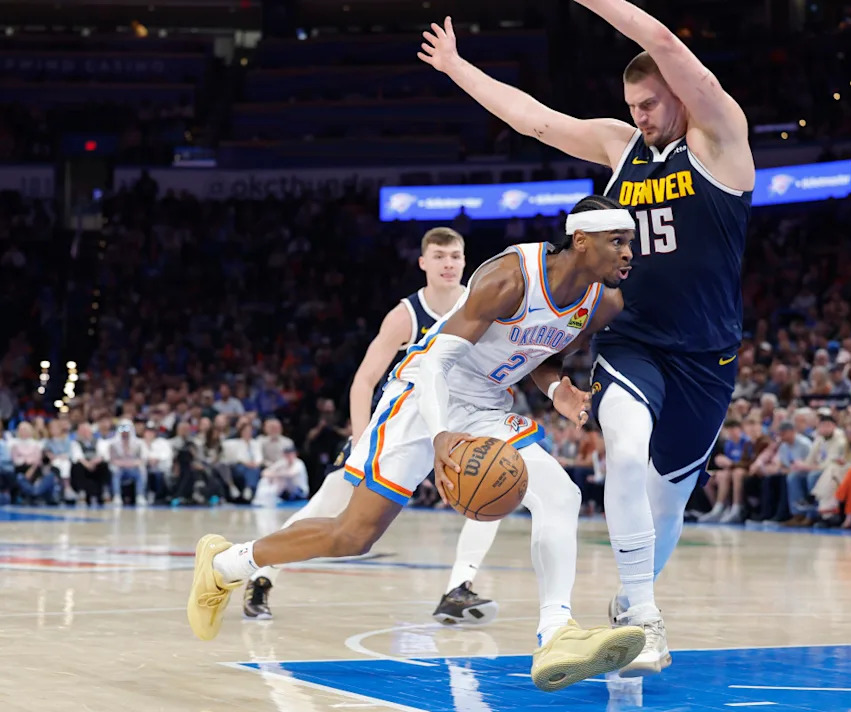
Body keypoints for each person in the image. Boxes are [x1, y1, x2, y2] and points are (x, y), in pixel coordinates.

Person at [188, 197, 647, 692]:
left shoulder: (604, 303)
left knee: (561, 495)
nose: (629, 253)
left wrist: (557, 390)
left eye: (630, 242)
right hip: (423, 392)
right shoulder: (511, 276)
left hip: (485, 404)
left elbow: (543, 352)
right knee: (353, 535)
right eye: (617, 241)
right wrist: (441, 433)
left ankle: (556, 633)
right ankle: (225, 565)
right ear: (581, 241)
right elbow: (434, 365)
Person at [419, 0, 753, 674]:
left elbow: (662, 36)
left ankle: (632, 601)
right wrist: (456, 67)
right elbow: (532, 119)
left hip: (707, 355)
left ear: (678, 94)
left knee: (667, 507)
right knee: (624, 452)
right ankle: (647, 618)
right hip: (631, 342)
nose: (641, 116)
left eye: (651, 103)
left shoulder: (719, 139)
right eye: (633, 106)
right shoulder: (618, 145)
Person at [242, 228, 502, 627]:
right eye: (439, 256)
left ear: (465, 261)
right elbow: (364, 381)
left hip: (454, 425)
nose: (448, 264)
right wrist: (362, 438)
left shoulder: (482, 304)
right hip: (399, 426)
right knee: (327, 506)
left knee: (493, 489)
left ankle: (458, 589)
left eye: (454, 256)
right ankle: (260, 575)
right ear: (423, 262)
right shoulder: (406, 315)